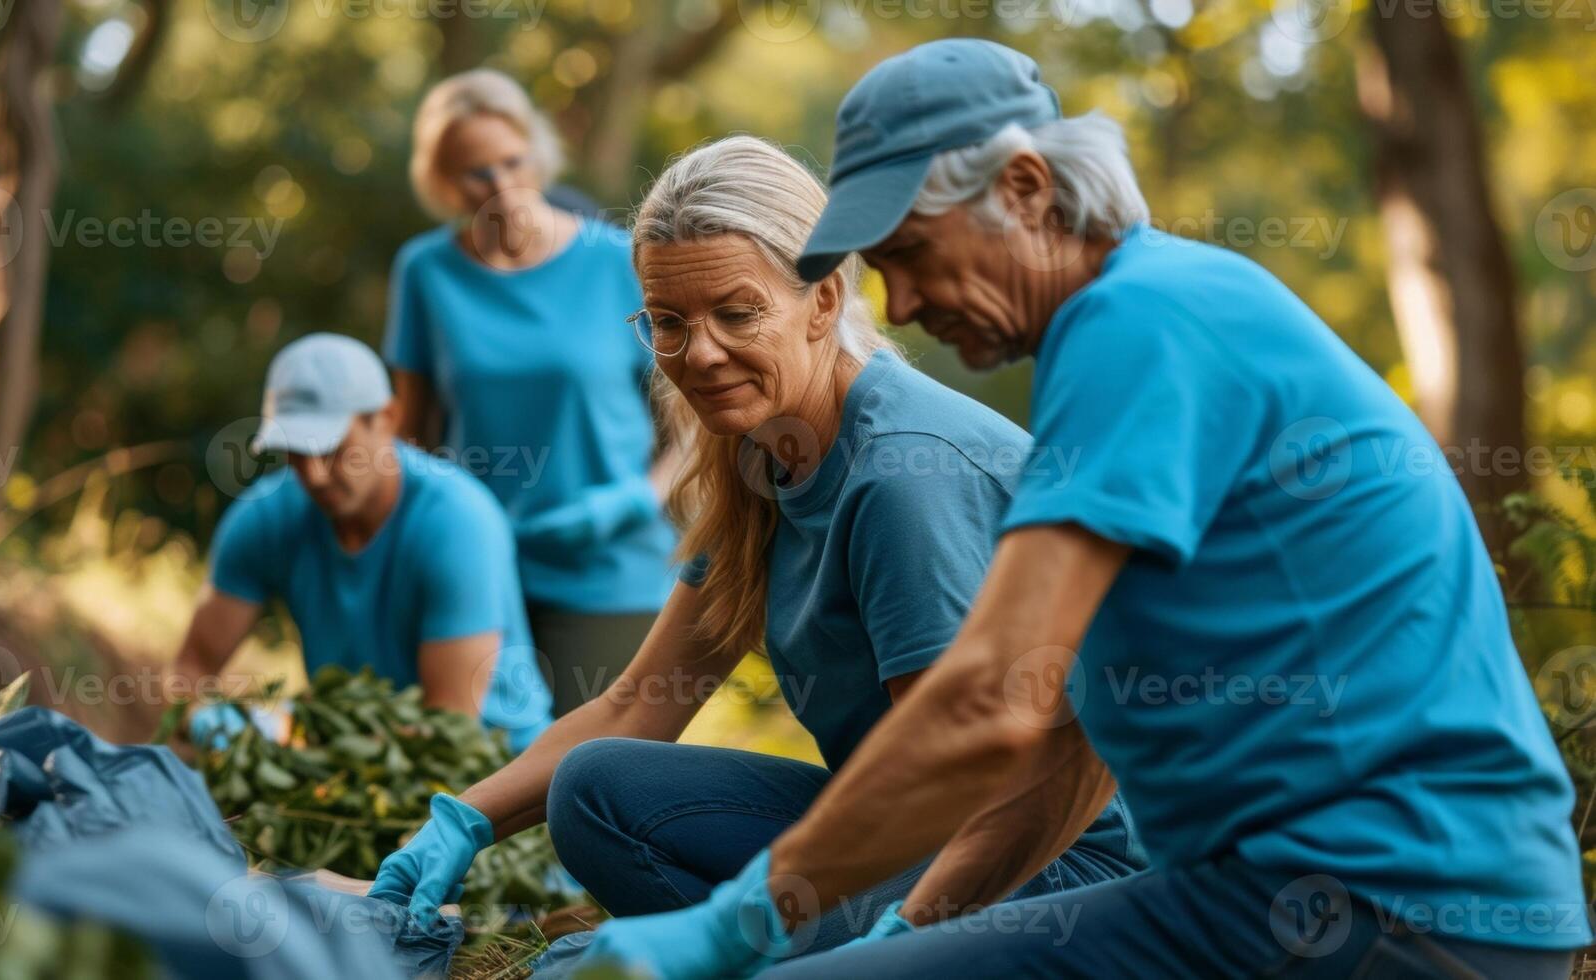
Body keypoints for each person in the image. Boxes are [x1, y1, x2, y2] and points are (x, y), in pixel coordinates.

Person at [574, 40, 1592, 979]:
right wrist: (917, 926)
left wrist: (742, 920)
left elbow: (985, 705)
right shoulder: (1137, 320)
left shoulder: (1142, 326)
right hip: (1314, 899)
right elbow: (1065, 747)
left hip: (1386, 908)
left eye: (911, 253)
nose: (905, 302)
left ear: (1024, 190)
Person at [365, 136, 1146, 954]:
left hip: (1045, 866)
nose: (698, 354)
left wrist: (734, 937)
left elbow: (952, 782)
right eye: (667, 322)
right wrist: (459, 821)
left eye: (736, 314)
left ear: (821, 300)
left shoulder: (900, 478)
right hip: (899, 822)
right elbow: (640, 702)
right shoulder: (760, 455)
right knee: (595, 787)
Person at [385, 68, 679, 717]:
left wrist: (625, 505)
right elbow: (411, 435)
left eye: (512, 161)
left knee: (582, 782)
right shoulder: (426, 273)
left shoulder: (619, 262)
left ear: (537, 152)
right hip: (478, 570)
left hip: (612, 574)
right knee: (476, 776)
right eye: (475, 172)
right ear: (441, 182)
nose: (500, 185)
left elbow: (696, 430)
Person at [172, 333, 552, 753]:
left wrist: (289, 739)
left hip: (495, 769)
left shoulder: (458, 524)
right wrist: (202, 723)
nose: (313, 475)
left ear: (387, 418)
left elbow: (447, 726)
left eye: (332, 448)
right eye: (295, 451)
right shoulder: (265, 518)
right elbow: (190, 671)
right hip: (350, 756)